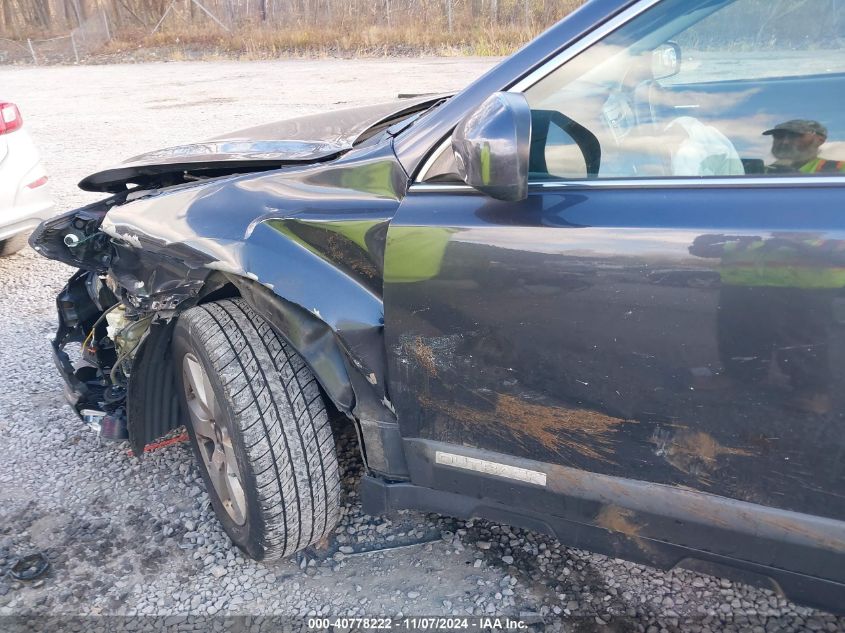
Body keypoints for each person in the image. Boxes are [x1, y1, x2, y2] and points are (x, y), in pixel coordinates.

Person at [763, 119, 845, 174]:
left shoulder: (839, 169)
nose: (785, 142)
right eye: (779, 135)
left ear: (820, 140)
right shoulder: (761, 171)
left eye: (794, 136)